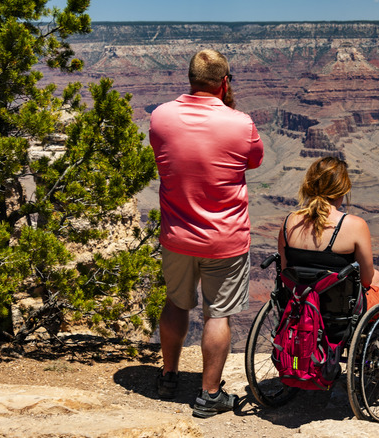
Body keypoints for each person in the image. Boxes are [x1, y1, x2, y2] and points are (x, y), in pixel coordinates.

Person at [149, 49, 264, 418]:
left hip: (176, 236)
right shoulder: (241, 123)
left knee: (176, 302)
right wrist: (227, 109)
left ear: (190, 78)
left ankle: (169, 375)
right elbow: (255, 160)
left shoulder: (161, 116)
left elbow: (162, 152)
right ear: (224, 82)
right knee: (218, 315)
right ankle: (209, 395)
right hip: (224, 239)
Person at [278, 156, 379, 318]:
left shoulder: (289, 222)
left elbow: (285, 272)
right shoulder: (354, 225)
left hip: (301, 307)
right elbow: (366, 281)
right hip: (339, 315)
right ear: (343, 190)